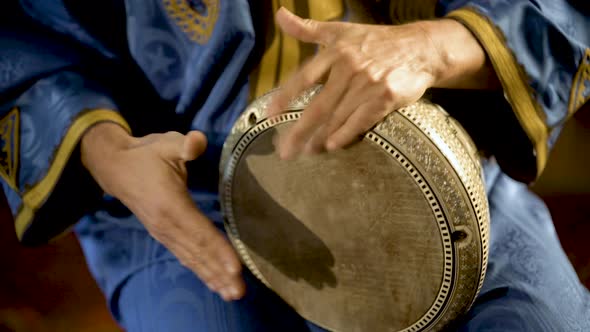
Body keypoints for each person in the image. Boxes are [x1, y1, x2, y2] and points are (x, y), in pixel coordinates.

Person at [0, 0, 588, 331]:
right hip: (183, 187)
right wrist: (106, 153)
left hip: (439, 160)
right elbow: (20, 32)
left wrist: (440, 44)